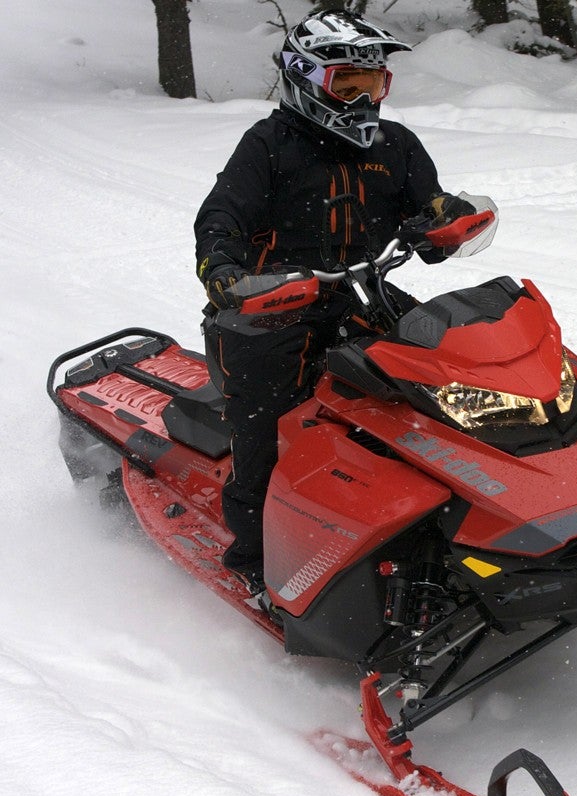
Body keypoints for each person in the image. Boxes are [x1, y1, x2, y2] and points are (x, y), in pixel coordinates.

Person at [194, 11, 475, 607]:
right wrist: (223, 269)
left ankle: (461, 522)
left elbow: (426, 210)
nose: (361, 99)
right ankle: (257, 564)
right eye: (345, 85)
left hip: (363, 295)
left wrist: (442, 222)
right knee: (270, 435)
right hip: (270, 308)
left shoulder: (395, 145)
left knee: (447, 382)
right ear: (306, 78)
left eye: (371, 86)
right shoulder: (269, 145)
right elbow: (222, 216)